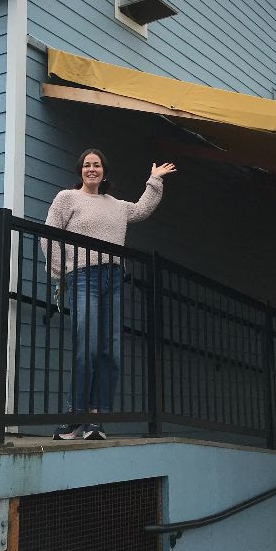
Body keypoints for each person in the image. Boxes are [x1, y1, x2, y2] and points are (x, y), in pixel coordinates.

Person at [44, 149, 176, 440]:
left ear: (104, 171)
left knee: (110, 350)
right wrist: (60, 274)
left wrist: (154, 180)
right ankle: (75, 415)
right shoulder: (67, 198)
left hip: (113, 279)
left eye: (98, 165)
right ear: (80, 170)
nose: (92, 169)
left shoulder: (116, 206)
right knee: (87, 347)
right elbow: (50, 236)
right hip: (81, 277)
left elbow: (141, 209)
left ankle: (96, 418)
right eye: (87, 165)